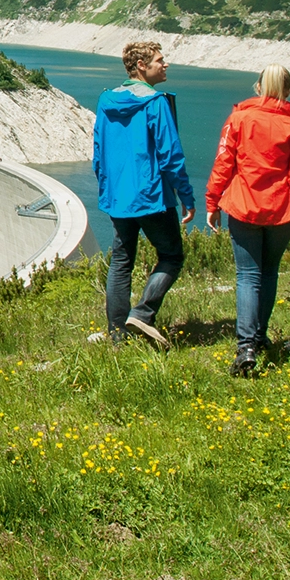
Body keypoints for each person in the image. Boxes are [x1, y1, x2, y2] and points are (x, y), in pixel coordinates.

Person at [204, 64, 290, 377]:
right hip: (282, 211)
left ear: (258, 86)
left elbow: (224, 163)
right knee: (269, 274)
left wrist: (212, 202)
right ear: (289, 90)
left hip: (243, 206)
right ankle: (260, 336)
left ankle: (246, 347)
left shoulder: (239, 118)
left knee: (247, 276)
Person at [92, 40, 194, 349]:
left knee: (121, 261)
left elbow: (98, 151)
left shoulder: (106, 100)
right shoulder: (155, 102)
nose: (166, 65)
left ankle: (117, 335)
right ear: (141, 66)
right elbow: (170, 154)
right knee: (172, 256)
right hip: (151, 196)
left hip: (118, 197)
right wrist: (186, 196)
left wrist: (107, 187)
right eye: (160, 61)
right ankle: (143, 313)